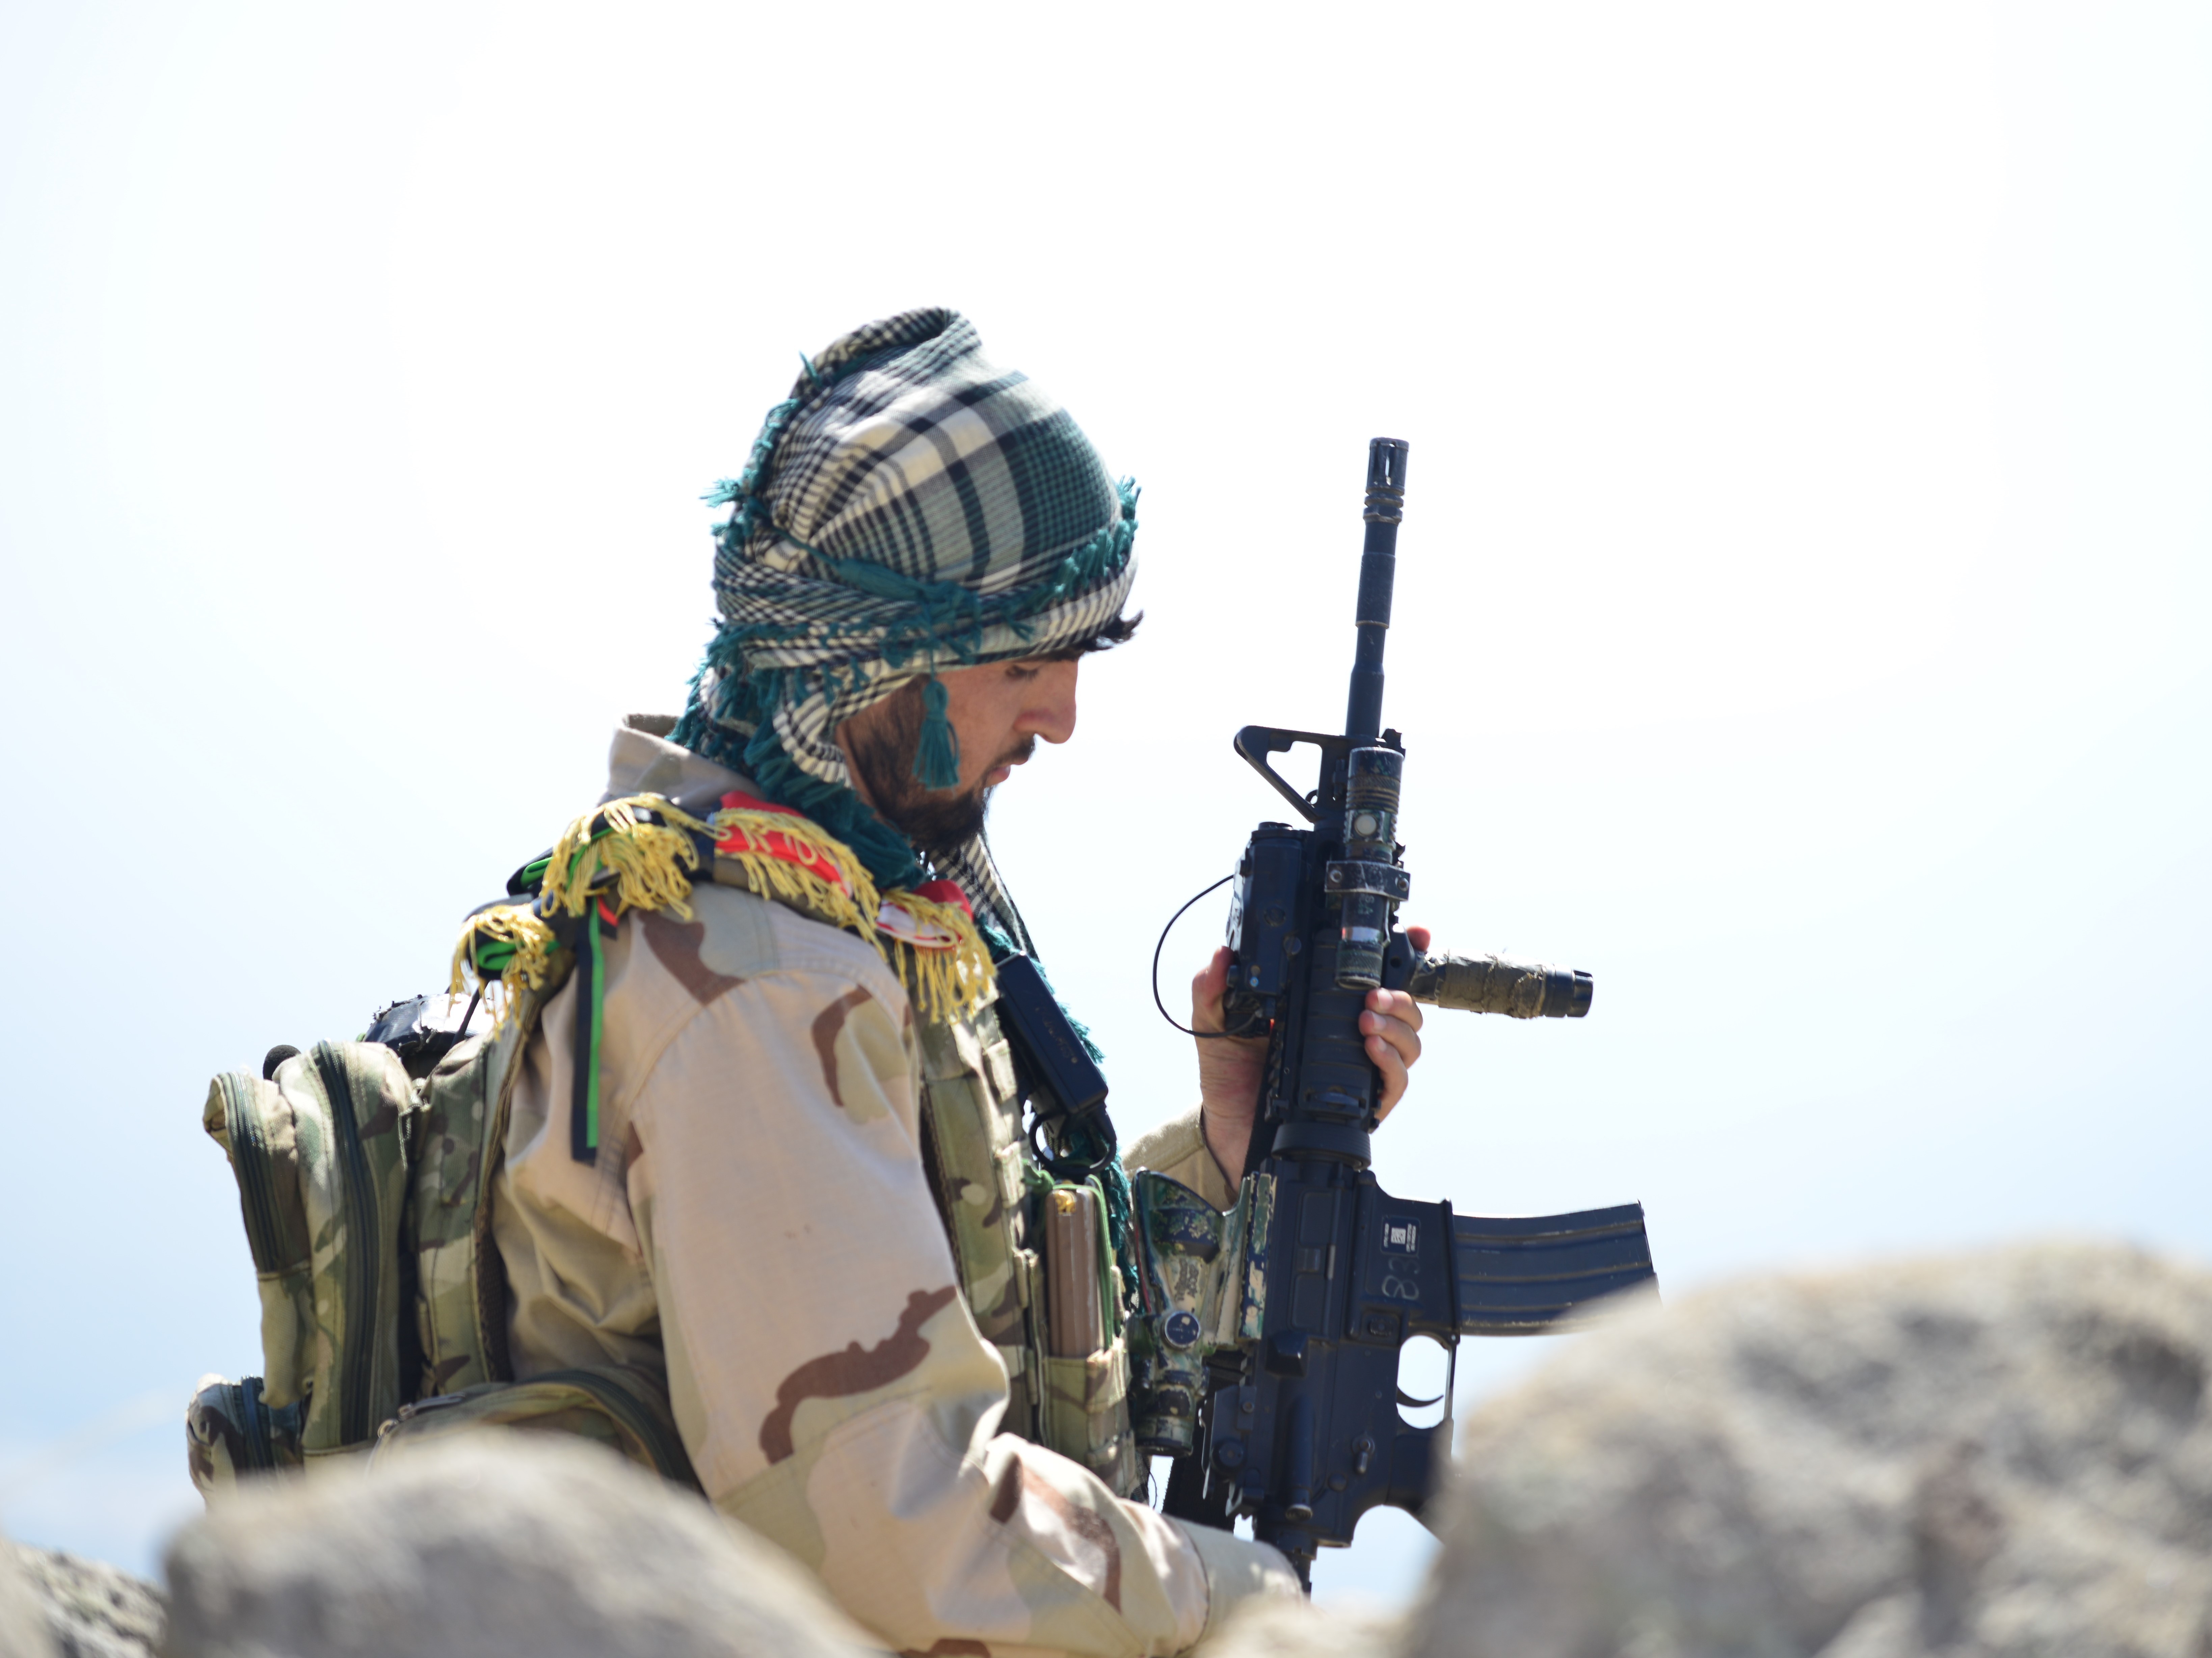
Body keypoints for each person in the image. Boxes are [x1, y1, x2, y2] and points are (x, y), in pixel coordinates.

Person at [487, 309, 1427, 1656]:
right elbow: (904, 1538)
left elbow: (986, 1307)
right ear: (869, 669)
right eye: (1022, 663)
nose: (1059, 718)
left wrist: (1232, 1137)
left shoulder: (838, 917)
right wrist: (1237, 1593)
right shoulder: (752, 982)